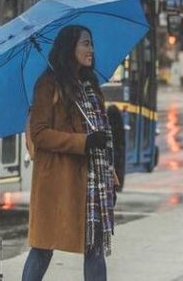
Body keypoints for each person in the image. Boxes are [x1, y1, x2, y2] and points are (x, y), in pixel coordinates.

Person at [22, 25, 119, 281]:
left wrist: (110, 176)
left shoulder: (90, 85)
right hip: (58, 182)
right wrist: (83, 142)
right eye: (85, 43)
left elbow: (102, 133)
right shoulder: (48, 84)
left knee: (95, 247)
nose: (91, 49)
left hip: (93, 183)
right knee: (43, 247)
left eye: (91, 44)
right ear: (69, 48)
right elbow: (39, 134)